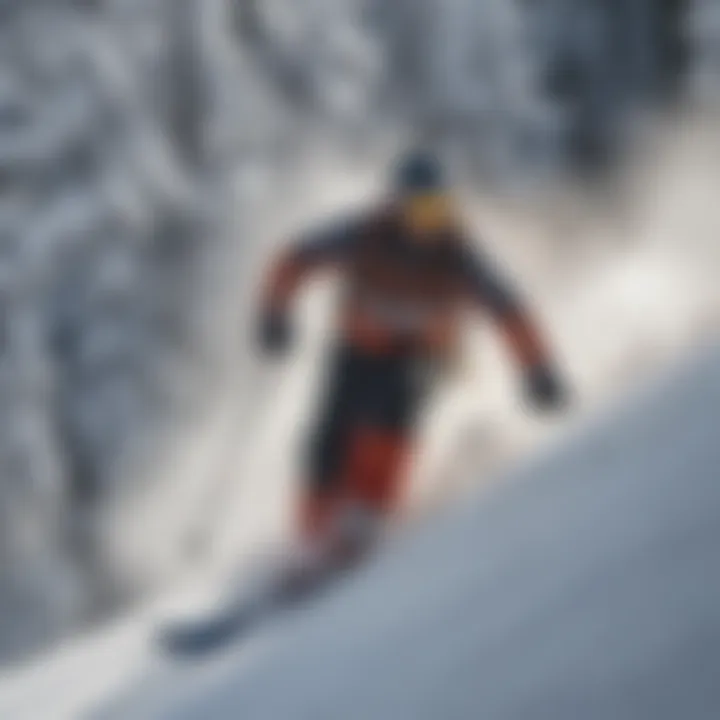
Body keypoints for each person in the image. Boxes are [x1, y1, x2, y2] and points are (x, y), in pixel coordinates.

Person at [257, 149, 568, 578]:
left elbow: (508, 310)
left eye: (438, 208)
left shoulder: (457, 255)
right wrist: (274, 313)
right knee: (327, 439)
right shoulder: (365, 235)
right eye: (420, 210)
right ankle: (312, 540)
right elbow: (295, 258)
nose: (430, 223)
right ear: (397, 206)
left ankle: (367, 518)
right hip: (357, 347)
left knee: (387, 419)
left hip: (424, 356)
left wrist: (537, 369)